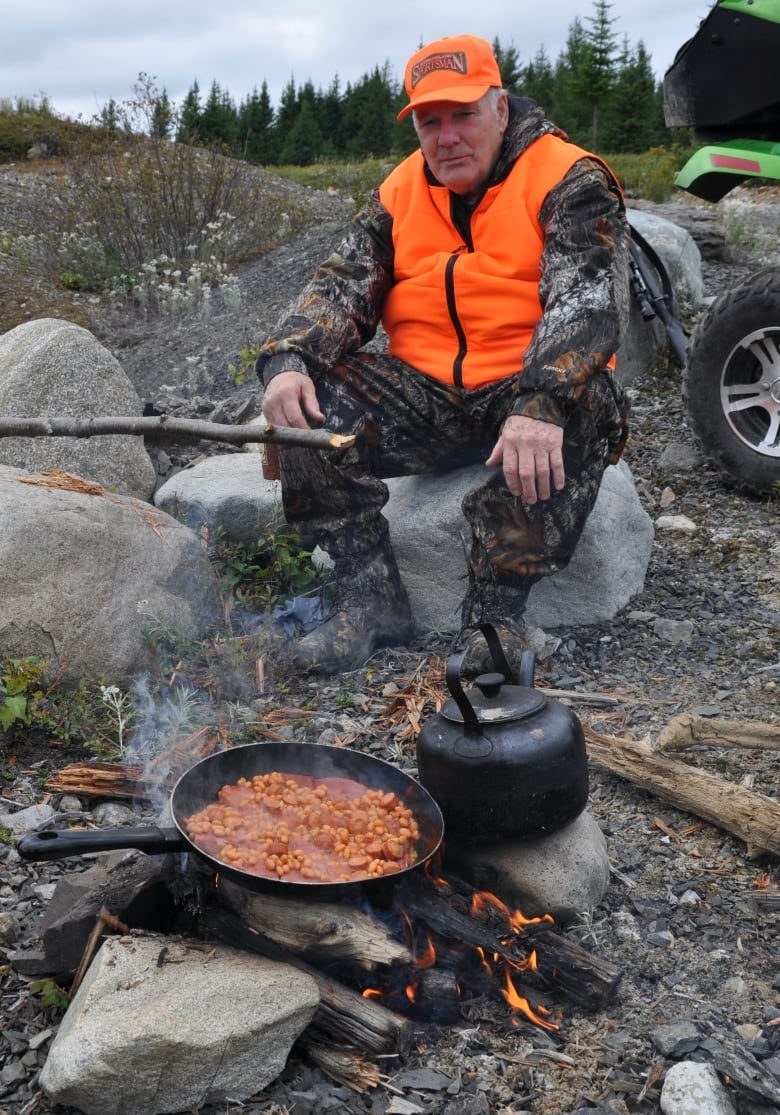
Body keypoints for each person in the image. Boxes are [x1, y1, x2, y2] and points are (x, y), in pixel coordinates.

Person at [256, 32, 631, 676]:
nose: (447, 136)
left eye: (463, 114)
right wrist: (289, 360)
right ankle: (367, 602)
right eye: (431, 121)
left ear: (501, 109)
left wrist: (539, 402)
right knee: (306, 412)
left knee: (586, 401)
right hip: (424, 390)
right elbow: (342, 285)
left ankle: (495, 617)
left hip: (524, 384)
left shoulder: (569, 177)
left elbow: (586, 306)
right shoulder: (399, 190)